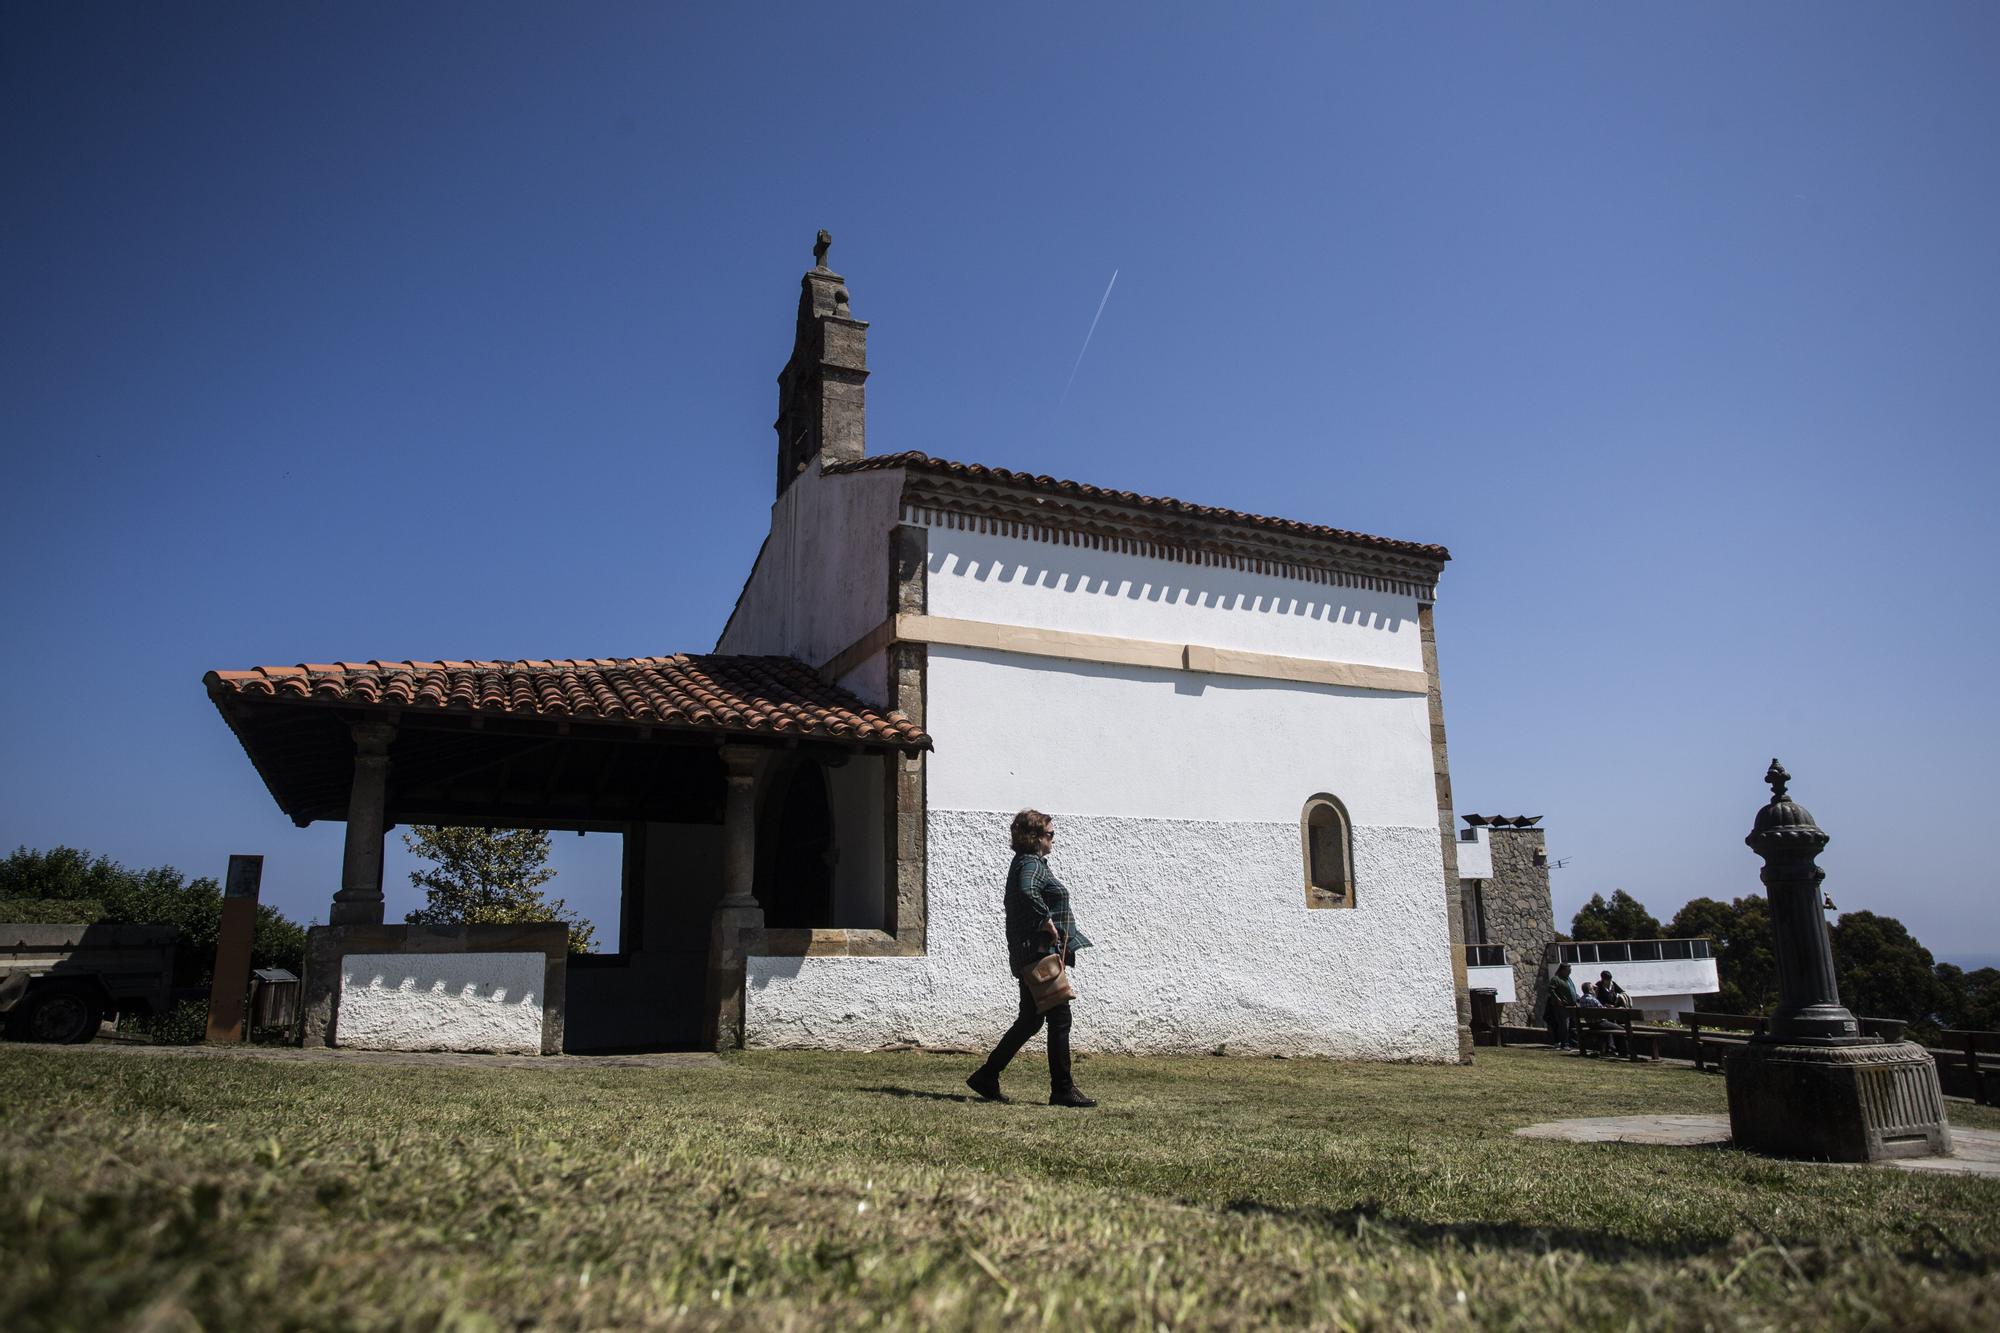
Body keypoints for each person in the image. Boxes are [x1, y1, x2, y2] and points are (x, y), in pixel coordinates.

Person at [967, 809, 1097, 1107]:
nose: (1053, 840)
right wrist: (1046, 922)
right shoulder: (1030, 864)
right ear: (1035, 838)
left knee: (1030, 1020)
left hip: (1028, 953)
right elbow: (1028, 892)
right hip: (1038, 954)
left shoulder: (1024, 863)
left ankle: (987, 1076)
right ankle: (1062, 1089)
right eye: (1050, 834)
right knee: (1060, 1018)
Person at [1576, 986, 1623, 1057]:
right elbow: (1603, 1011)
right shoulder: (1593, 999)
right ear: (1590, 990)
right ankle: (1623, 1052)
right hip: (1599, 1023)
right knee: (1621, 1030)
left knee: (1607, 1031)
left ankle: (1606, 1050)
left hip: (1590, 1024)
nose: (1595, 990)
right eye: (1593, 989)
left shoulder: (1581, 1000)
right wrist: (1610, 1007)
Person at [1546, 963, 1580, 1050]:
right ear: (1562, 970)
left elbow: (1571, 990)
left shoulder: (1568, 979)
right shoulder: (1556, 979)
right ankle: (1564, 1043)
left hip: (1571, 1005)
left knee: (1573, 1025)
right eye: (1568, 970)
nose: (1569, 972)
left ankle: (1574, 1042)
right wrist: (1558, 999)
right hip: (1562, 1007)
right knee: (1564, 1025)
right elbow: (1551, 989)